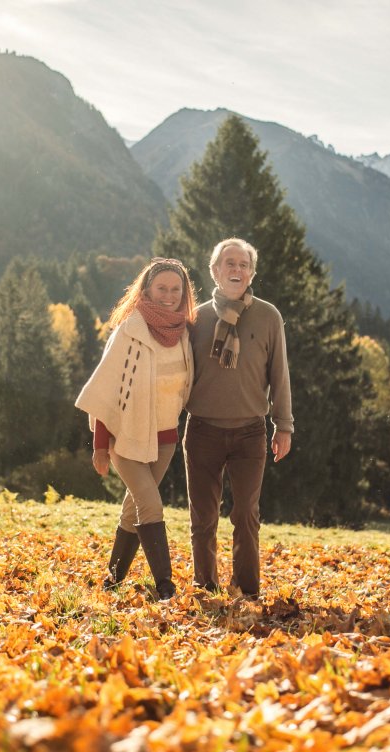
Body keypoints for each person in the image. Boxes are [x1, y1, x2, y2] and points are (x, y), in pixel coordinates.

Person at [75, 257, 196, 600]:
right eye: (162, 288)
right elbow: (106, 390)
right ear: (146, 290)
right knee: (151, 505)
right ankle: (166, 588)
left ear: (184, 293)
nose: (169, 295)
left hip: (166, 440)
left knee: (134, 507)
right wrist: (100, 446)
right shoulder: (130, 330)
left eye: (176, 289)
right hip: (125, 439)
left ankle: (112, 580)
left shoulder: (184, 332)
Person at [184, 238, 292, 599]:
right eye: (228, 263)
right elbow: (177, 374)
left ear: (252, 272)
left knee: (246, 514)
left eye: (243, 264)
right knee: (203, 517)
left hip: (250, 433)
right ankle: (205, 585)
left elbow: (279, 374)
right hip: (201, 431)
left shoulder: (268, 316)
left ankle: (246, 591)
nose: (236, 270)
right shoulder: (195, 318)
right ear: (215, 271)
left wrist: (284, 424)